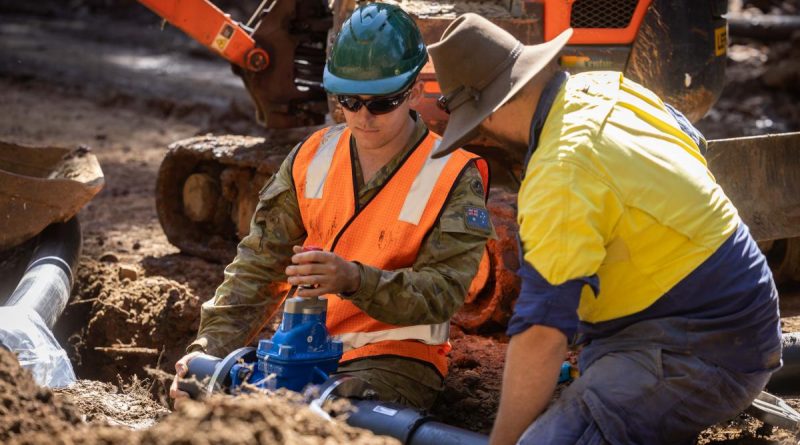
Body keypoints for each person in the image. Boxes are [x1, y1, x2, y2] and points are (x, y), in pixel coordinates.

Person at [428, 14, 782, 445]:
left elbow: (542, 336)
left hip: (704, 346)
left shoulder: (561, 172)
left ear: (496, 106)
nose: (481, 129)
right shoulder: (602, 86)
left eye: (478, 119)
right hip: (740, 306)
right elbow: (695, 147)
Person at [169, 3, 494, 410]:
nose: (362, 116)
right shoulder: (313, 155)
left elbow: (442, 294)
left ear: (414, 91)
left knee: (318, 420)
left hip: (395, 360)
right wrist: (208, 353)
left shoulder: (454, 174)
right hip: (299, 350)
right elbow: (258, 265)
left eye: (381, 103)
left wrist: (355, 279)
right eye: (348, 100)